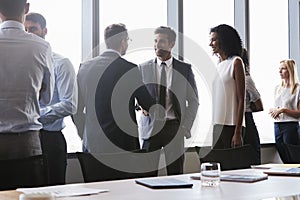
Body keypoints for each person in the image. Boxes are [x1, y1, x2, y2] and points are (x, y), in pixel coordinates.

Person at [75, 23, 154, 153]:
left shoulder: (84, 67)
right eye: (127, 40)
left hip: (92, 143)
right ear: (123, 41)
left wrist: (84, 132)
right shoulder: (130, 69)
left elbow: (76, 109)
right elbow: (147, 103)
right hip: (123, 144)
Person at [24, 12, 77, 185]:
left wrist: (34, 116)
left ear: (45, 31)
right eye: (25, 30)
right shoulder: (20, 64)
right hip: (25, 138)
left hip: (50, 140)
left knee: (54, 191)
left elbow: (69, 104)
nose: (29, 33)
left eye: (33, 29)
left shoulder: (61, 63)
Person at [139, 26, 199, 175]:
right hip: (150, 129)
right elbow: (135, 97)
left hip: (174, 128)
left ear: (172, 44)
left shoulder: (185, 69)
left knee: (176, 175)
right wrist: (139, 107)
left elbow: (193, 101)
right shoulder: (143, 68)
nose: (157, 45)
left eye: (162, 41)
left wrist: (185, 127)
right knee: (146, 175)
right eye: (155, 41)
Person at [0, 0, 54, 159]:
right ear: (26, 7)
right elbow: (47, 98)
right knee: (28, 183)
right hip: (26, 142)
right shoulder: (42, 47)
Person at [209, 24, 245, 149]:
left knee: (232, 167)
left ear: (224, 40)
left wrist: (238, 132)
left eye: (214, 40)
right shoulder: (219, 65)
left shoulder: (236, 62)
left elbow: (241, 99)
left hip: (232, 126)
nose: (211, 44)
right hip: (217, 125)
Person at [269, 59, 300, 163]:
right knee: (284, 158)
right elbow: (278, 107)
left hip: (290, 126)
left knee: (293, 158)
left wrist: (283, 110)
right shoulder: (277, 88)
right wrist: (274, 110)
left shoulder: (297, 89)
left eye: (283, 68)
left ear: (290, 70)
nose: (280, 71)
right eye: (279, 69)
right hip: (277, 126)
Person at [241, 48, 263, 164]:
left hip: (247, 119)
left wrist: (246, 107)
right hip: (236, 120)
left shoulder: (247, 79)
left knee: (252, 159)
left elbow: (259, 106)